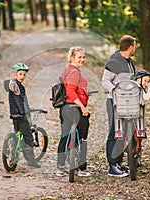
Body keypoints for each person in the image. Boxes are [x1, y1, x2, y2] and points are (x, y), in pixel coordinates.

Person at [101, 35, 137, 177]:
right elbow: (105, 81)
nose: (135, 48)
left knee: (123, 132)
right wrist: (116, 92)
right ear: (130, 47)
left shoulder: (129, 62)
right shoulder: (114, 61)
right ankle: (111, 166)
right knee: (114, 132)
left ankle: (119, 161)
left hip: (128, 101)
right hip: (114, 102)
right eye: (134, 45)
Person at [56, 46, 92, 177]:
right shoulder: (75, 72)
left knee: (64, 136)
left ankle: (60, 168)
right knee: (83, 137)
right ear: (72, 57)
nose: (82, 60)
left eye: (83, 57)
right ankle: (82, 168)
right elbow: (70, 91)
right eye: (79, 57)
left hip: (64, 108)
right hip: (74, 108)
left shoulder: (66, 70)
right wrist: (82, 107)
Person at [8, 63, 41, 168]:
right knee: (29, 138)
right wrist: (13, 80)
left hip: (15, 114)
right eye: (20, 74)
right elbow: (12, 87)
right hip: (21, 116)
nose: (22, 76)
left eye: (24, 75)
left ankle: (14, 157)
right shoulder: (15, 85)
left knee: (17, 135)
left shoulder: (20, 87)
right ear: (15, 74)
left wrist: (28, 107)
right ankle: (31, 161)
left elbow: (21, 100)